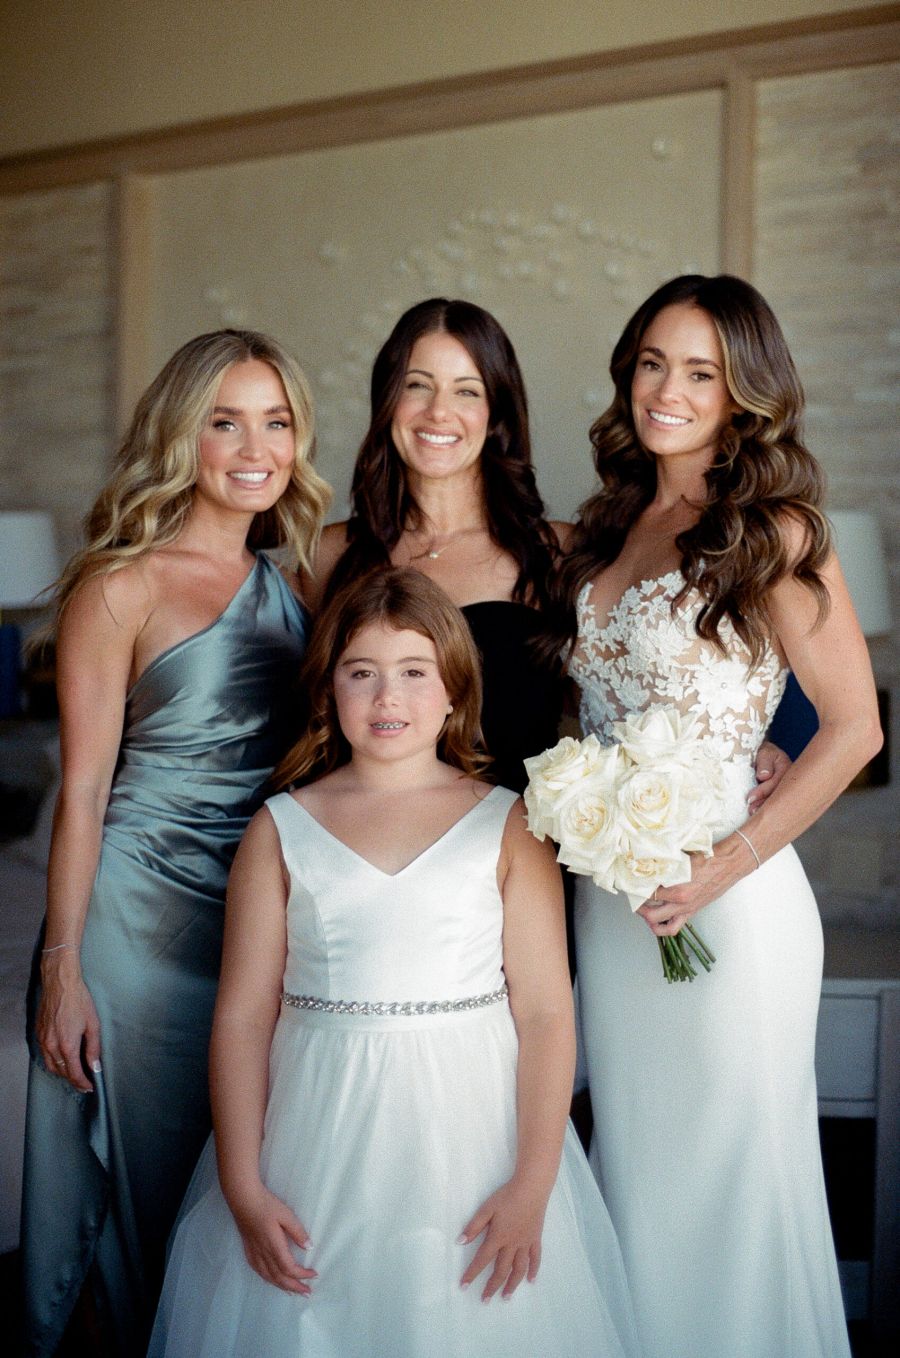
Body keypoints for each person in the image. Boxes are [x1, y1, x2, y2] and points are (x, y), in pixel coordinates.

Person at [148, 569, 641, 1358]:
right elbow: (243, 1014)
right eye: (362, 674)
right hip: (319, 1125)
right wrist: (242, 1182)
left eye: (414, 673)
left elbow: (546, 1014)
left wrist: (533, 1181)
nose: (388, 698)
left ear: (452, 690)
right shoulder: (281, 828)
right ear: (329, 691)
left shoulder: (506, 822)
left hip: (473, 1129)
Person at [555, 274, 882, 1358]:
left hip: (730, 916)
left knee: (735, 1188)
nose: (668, 389)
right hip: (615, 913)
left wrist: (722, 863)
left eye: (700, 370)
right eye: (652, 361)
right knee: (640, 1178)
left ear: (746, 392)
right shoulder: (607, 528)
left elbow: (853, 729)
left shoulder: (775, 531)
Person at [22, 329, 331, 1356]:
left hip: (255, 922)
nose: (256, 445)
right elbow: (83, 791)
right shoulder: (120, 585)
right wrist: (61, 968)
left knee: (231, 1169)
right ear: (180, 435)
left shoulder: (297, 586)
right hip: (137, 924)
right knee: (145, 1185)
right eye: (225, 419)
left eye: (276, 421)